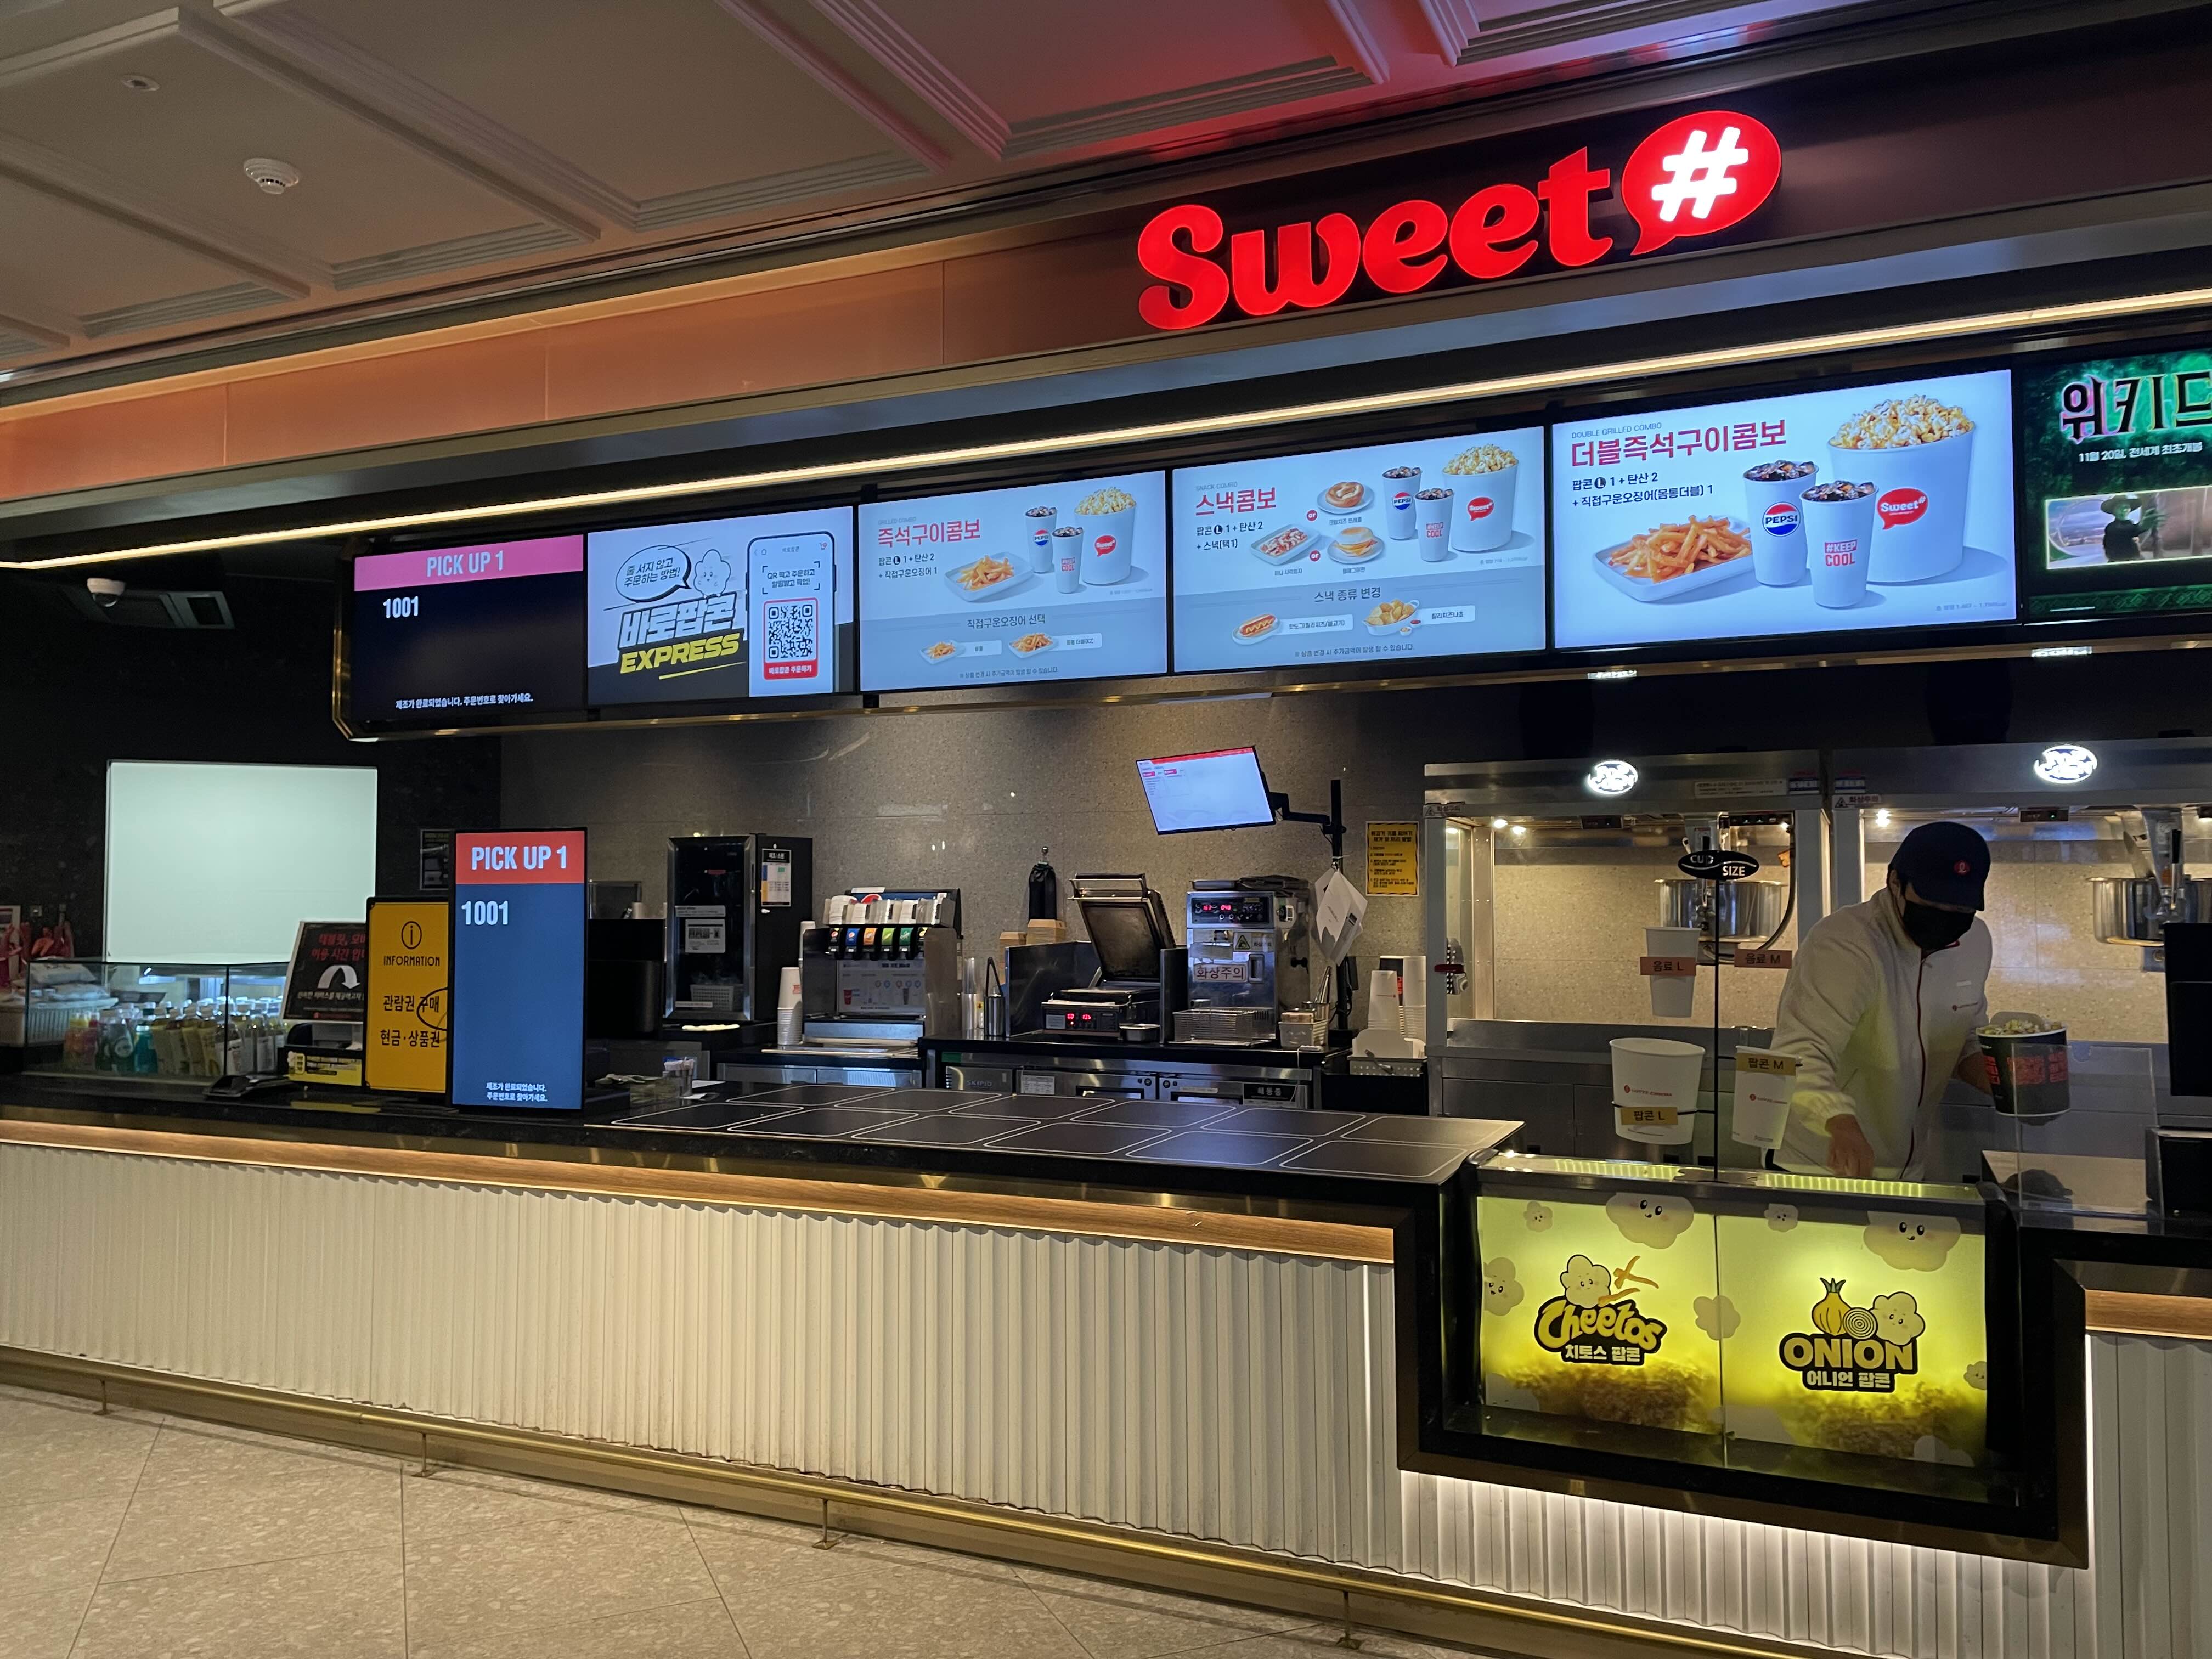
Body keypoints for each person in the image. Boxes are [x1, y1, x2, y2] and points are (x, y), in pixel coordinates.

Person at [1769, 821, 1994, 1180]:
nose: (1945, 917)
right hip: (1818, 1164)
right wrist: (1838, 1119)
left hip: (1908, 1169)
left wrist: (2004, 1080)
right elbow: (1799, 1051)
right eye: (1932, 903)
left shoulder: (1975, 941)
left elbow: (1965, 1034)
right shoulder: (1844, 943)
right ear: (1894, 882)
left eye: (1959, 909)